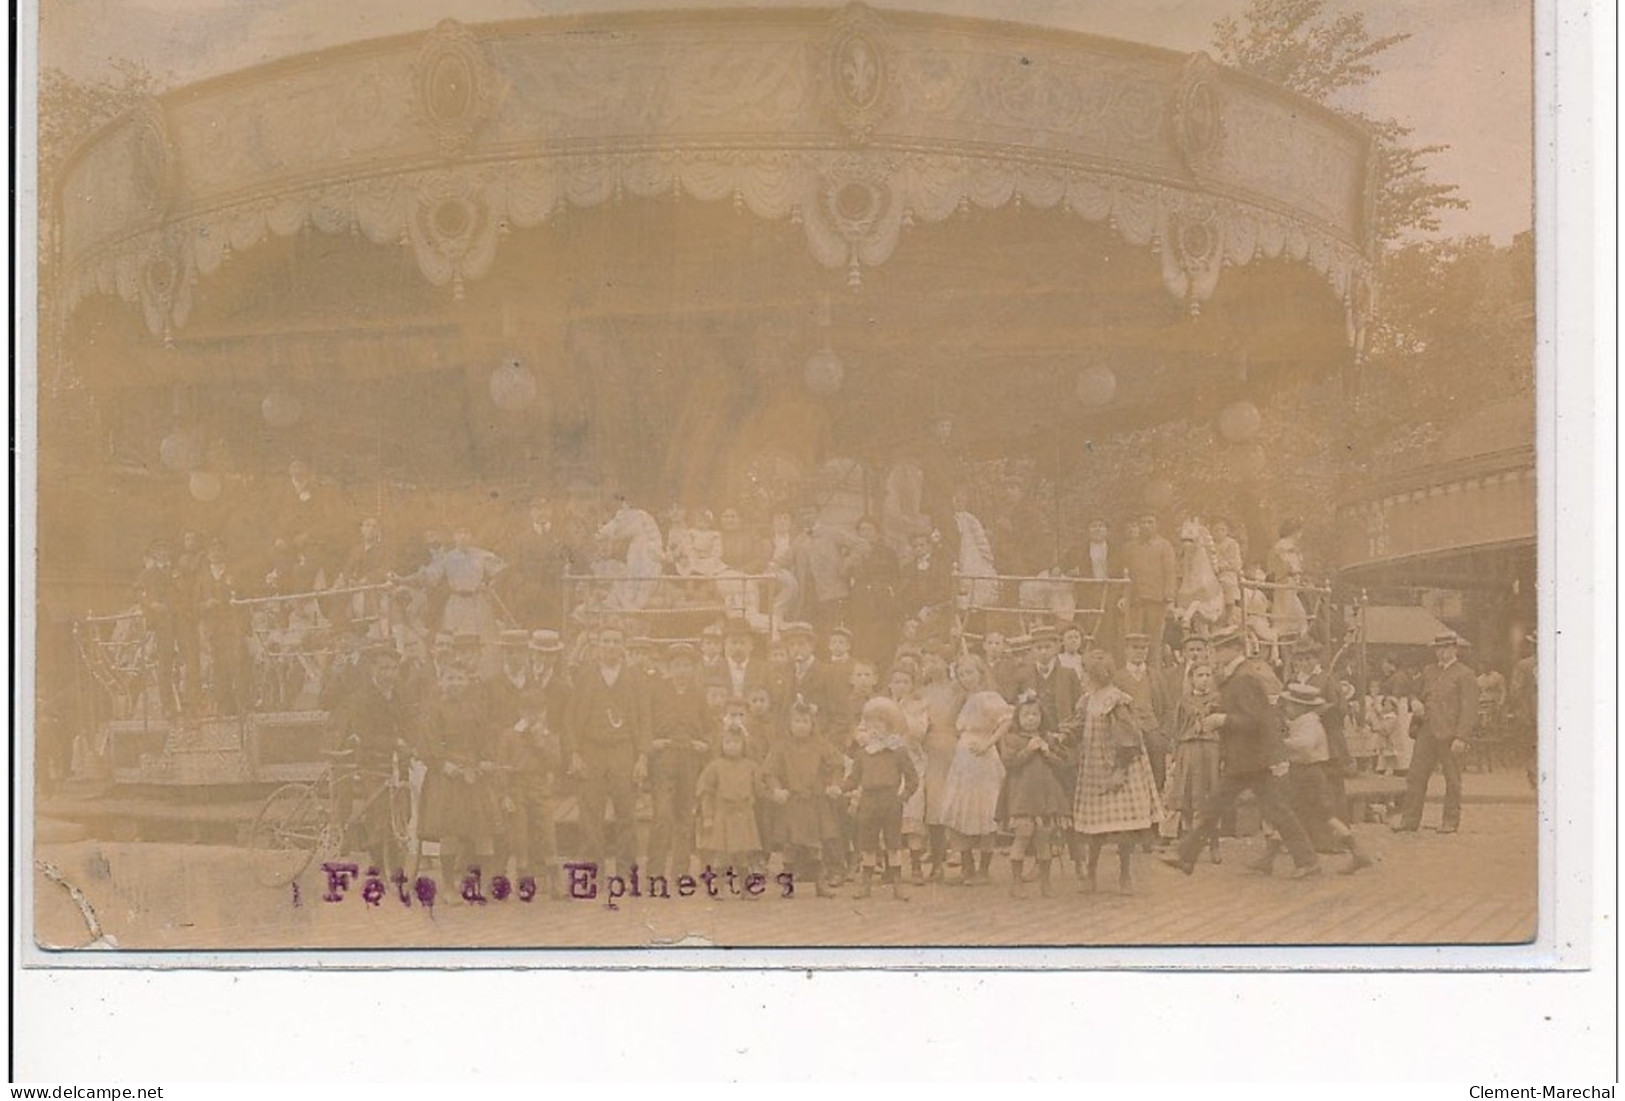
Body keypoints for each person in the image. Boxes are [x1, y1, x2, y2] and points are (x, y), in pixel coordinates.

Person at [1160, 626, 1321, 879]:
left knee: (1218, 805)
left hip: (1250, 757)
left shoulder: (1244, 677)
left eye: (1220, 648)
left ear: (1235, 649)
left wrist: (1222, 720)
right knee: (1273, 809)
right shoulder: (1236, 675)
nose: (1215, 653)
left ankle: (1185, 855)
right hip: (1249, 757)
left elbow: (1255, 720)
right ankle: (1307, 859)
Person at [1066, 650, 1164, 894]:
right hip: (1094, 769)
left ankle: (1125, 876)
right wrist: (1063, 735)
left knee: (1122, 830)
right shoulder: (1088, 699)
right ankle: (1091, 874)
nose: (1082, 677)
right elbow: (1078, 726)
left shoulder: (1115, 700)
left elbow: (1128, 739)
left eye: (1085, 673)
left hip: (1118, 766)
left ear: (1096, 674)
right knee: (1095, 827)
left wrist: (1119, 770)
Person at [1254, 683, 1373, 875]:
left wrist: (1281, 743)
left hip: (1308, 774)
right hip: (1302, 772)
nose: (1287, 709)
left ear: (1301, 706)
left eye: (1291, 705)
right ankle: (1268, 858)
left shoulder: (1309, 722)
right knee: (1293, 813)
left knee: (1321, 815)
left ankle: (1356, 852)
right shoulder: (1304, 721)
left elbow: (1305, 745)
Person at [564, 623, 652, 875]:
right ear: (597, 646)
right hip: (592, 749)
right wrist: (574, 752)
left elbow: (645, 717)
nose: (610, 646)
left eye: (615, 641)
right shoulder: (585, 675)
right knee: (590, 812)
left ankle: (625, 871)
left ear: (623, 646)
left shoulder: (635, 677)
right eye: (606, 641)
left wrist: (642, 757)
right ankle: (593, 869)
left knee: (626, 811)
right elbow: (570, 716)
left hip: (623, 750)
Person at [1394, 632, 1480, 834]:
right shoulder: (1428, 671)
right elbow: (1415, 691)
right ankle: (1410, 820)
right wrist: (1415, 701)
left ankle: (1450, 821)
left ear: (1455, 649)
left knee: (1452, 779)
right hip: (1427, 731)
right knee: (1416, 776)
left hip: (1451, 735)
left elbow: (1469, 709)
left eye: (1446, 648)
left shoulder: (1465, 674)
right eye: (1438, 649)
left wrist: (1461, 737)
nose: (1442, 653)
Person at [644, 643, 713, 882]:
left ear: (693, 669)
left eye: (686, 666)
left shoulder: (698, 695)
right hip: (664, 758)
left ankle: (680, 871)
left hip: (689, 760)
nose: (681, 671)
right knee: (662, 814)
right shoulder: (657, 691)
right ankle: (654, 870)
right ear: (668, 668)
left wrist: (704, 744)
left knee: (685, 816)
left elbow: (709, 729)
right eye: (677, 666)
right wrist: (652, 743)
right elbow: (645, 724)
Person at [763, 697, 844, 899]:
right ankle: (788, 884)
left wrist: (834, 784)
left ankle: (820, 883)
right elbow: (769, 771)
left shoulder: (821, 744)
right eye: (796, 721)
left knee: (815, 845)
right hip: (792, 802)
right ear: (789, 724)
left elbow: (837, 764)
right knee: (790, 845)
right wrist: (776, 789)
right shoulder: (781, 746)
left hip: (814, 802)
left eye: (805, 721)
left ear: (812, 724)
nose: (800, 726)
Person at [844, 696, 921, 900]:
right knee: (868, 843)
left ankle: (897, 885)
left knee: (893, 844)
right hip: (868, 801)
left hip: (890, 801)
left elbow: (913, 779)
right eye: (870, 727)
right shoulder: (863, 754)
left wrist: (902, 797)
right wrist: (839, 788)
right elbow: (853, 779)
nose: (874, 731)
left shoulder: (897, 751)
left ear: (889, 728)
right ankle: (866, 885)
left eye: (879, 726)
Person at [938, 688, 1013, 887]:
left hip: (982, 757)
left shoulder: (989, 696)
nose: (966, 677)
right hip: (963, 757)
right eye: (962, 673)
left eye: (971, 672)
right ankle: (967, 866)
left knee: (985, 809)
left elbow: (1006, 720)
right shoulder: (960, 697)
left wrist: (988, 743)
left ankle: (983, 870)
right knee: (960, 808)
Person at [1000, 691, 1070, 898]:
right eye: (1026, 715)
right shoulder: (1012, 739)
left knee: (1044, 837)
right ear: (1018, 718)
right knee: (1022, 835)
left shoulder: (1048, 738)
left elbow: (1062, 764)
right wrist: (1028, 750)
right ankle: (1016, 882)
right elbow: (1009, 764)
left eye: (1035, 715)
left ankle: (1045, 883)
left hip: (1046, 796)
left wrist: (1047, 751)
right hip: (1023, 796)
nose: (1031, 719)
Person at [695, 722, 769, 895]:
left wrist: (776, 793)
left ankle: (745, 889)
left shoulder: (751, 766)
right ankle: (719, 888)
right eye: (727, 742)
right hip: (723, 816)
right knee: (721, 856)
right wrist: (708, 817)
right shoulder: (715, 767)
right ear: (721, 744)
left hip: (744, 816)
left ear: (743, 745)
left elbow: (761, 789)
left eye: (736, 742)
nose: (732, 746)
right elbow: (707, 793)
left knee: (743, 856)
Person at [1159, 662, 1222, 862]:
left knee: (1211, 797)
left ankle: (1214, 845)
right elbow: (1177, 731)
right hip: (1189, 749)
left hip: (1210, 750)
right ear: (1192, 678)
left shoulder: (1218, 700)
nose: (1204, 679)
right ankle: (1186, 847)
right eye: (1200, 675)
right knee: (1186, 797)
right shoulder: (1183, 701)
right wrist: (1174, 756)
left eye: (1208, 674)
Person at [1123, 513, 1177, 658]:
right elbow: (1125, 573)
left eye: (1150, 522)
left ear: (1156, 525)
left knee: (1154, 640)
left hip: (1156, 601)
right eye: (1143, 523)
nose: (1146, 526)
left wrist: (1169, 599)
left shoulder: (1164, 546)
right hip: (1135, 601)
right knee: (1134, 637)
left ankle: (1154, 674)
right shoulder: (1130, 547)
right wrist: (1124, 596)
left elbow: (1170, 573)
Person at [1267, 518, 1311, 641]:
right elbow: (1287, 565)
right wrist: (1295, 572)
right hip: (1285, 583)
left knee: (1299, 616)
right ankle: (1277, 646)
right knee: (1285, 616)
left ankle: (1297, 643)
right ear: (1296, 531)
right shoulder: (1283, 545)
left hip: (1291, 584)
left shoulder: (1290, 546)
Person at [1209, 517, 1244, 624]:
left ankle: (1229, 612)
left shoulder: (1231, 544)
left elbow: (1236, 563)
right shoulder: (1209, 544)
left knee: (1227, 583)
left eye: (1222, 530)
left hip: (1227, 573)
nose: (1219, 533)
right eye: (1216, 530)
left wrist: (1221, 566)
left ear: (1227, 531)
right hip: (1211, 573)